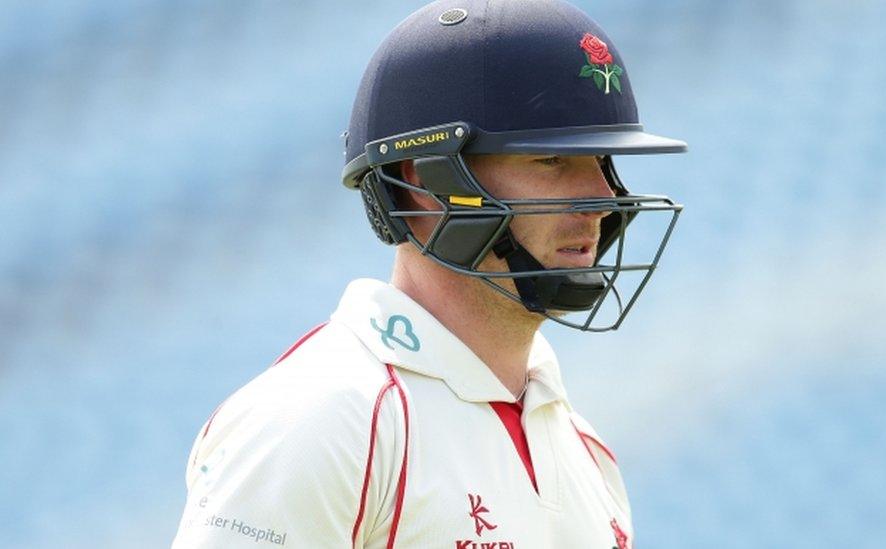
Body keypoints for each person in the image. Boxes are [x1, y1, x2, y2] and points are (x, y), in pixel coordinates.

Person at [172, 0, 686, 547]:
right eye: (550, 160)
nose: (604, 201)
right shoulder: (318, 419)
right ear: (426, 184)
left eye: (605, 163)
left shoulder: (584, 448)